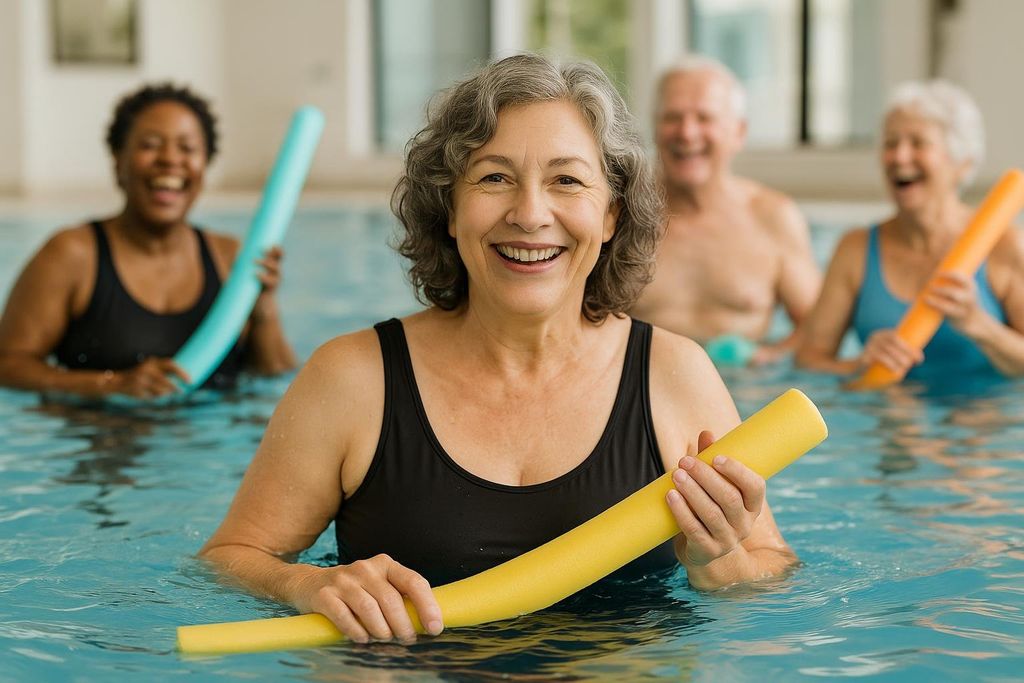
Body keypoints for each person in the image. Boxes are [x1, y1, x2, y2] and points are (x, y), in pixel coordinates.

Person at [199, 54, 797, 645]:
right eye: (494, 177)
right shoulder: (354, 378)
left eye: (566, 180)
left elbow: (772, 575)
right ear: (450, 209)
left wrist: (718, 563)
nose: (530, 213)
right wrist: (305, 584)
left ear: (611, 213)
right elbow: (229, 559)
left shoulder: (674, 374)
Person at [0, 83, 296, 398]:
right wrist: (111, 385)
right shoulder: (73, 255)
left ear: (204, 166)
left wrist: (264, 308)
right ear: (118, 161)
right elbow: (8, 365)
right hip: (104, 440)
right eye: (150, 145)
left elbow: (274, 378)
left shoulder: (230, 257)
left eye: (187, 148)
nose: (170, 159)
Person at [796, 80, 1024, 379]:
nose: (899, 157)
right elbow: (808, 362)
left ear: (962, 164)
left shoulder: (1005, 245)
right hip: (889, 422)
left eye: (918, 143)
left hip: (984, 422)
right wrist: (858, 366)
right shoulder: (855, 249)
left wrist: (978, 324)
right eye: (891, 143)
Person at [629, 55, 821, 365]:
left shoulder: (772, 217)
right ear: (654, 127)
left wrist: (769, 357)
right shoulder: (621, 215)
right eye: (672, 118)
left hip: (742, 397)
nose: (687, 133)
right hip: (643, 396)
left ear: (739, 132)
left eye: (704, 118)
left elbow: (820, 329)